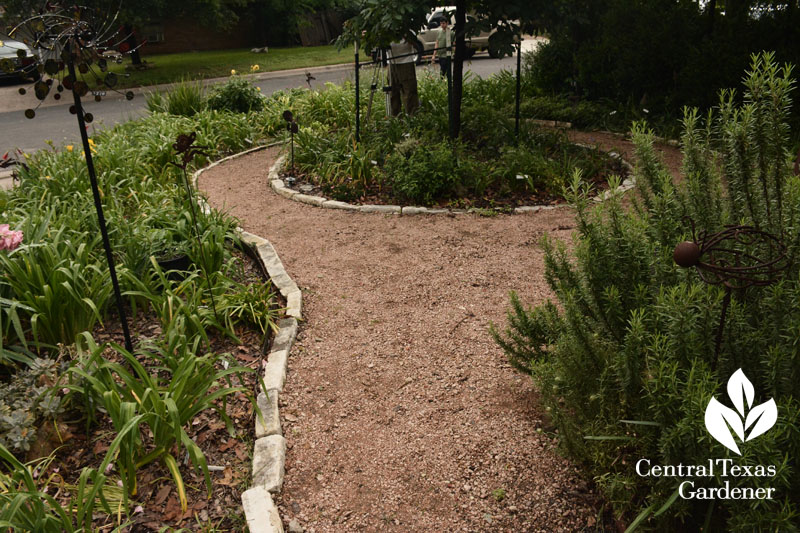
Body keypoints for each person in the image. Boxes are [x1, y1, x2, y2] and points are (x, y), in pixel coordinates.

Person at [387, 37, 419, 116]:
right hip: (391, 62)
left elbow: (415, 43)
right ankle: (396, 118)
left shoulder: (407, 28)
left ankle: (413, 117)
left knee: (409, 92)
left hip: (406, 61)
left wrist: (405, 35)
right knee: (393, 92)